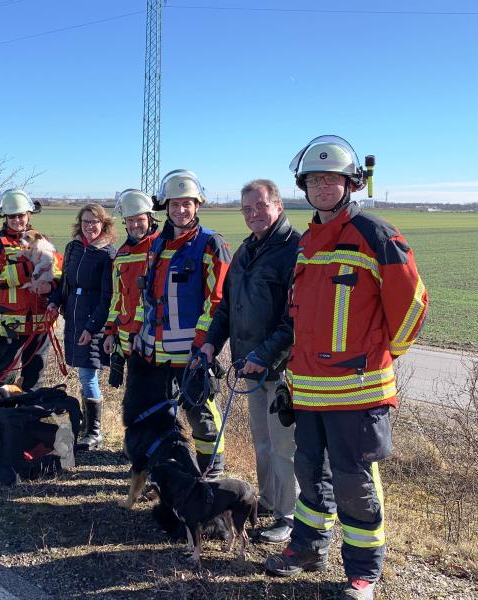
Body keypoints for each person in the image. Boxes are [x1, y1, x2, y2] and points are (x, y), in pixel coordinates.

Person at [264, 136, 428, 600]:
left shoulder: (376, 235)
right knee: (310, 477)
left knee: (355, 484)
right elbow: (302, 321)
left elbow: (412, 304)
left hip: (358, 393)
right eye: (315, 180)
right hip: (310, 391)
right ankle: (308, 549)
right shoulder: (306, 243)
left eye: (331, 179)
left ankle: (363, 572)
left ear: (350, 184)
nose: (322, 187)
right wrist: (293, 379)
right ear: (304, 186)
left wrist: (382, 354)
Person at [200, 178, 301, 543]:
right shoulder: (245, 251)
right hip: (249, 366)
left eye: (260, 206)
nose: (253, 214)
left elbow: (295, 318)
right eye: (247, 209)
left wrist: (265, 354)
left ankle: (290, 517)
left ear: (277, 205)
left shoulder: (295, 250)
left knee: (283, 446)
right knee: (262, 443)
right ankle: (270, 503)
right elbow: (227, 306)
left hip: (281, 369)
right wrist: (212, 343)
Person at [130, 169, 231, 477]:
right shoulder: (158, 244)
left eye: (187, 203)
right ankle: (164, 468)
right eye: (175, 204)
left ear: (197, 205)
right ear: (166, 207)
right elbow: (149, 298)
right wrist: (138, 337)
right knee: (159, 416)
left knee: (200, 413)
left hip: (191, 353)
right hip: (153, 353)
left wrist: (203, 347)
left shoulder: (211, 244)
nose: (180, 210)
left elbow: (216, 302)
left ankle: (212, 472)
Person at [47, 203, 116, 451]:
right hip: (73, 319)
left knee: (88, 375)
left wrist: (92, 327)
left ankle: (95, 432)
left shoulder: (108, 254)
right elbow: (65, 282)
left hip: (92, 321)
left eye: (94, 222)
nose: (89, 227)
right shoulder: (73, 247)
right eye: (85, 222)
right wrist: (55, 303)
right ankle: (87, 426)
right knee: (83, 374)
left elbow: (107, 297)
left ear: (103, 224)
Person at [0, 189, 62, 391]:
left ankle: (28, 420)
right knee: (5, 378)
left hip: (39, 322)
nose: (17, 220)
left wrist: (51, 285)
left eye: (21, 215)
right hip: (9, 324)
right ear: (5, 217)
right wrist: (30, 268)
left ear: (28, 215)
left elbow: (58, 270)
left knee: (35, 379)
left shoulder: (41, 240)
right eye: (12, 216)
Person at [102, 189, 159, 358]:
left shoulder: (162, 247)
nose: (135, 225)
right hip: (126, 337)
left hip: (155, 337)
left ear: (150, 218)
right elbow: (117, 296)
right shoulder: (122, 254)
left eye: (140, 219)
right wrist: (110, 330)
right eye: (130, 220)